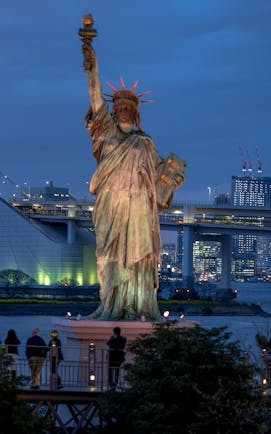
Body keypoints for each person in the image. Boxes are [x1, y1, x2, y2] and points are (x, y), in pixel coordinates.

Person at [80, 14, 185, 321]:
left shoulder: (145, 142)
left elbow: (161, 179)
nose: (123, 108)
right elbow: (94, 92)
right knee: (109, 255)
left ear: (136, 112)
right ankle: (111, 303)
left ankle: (138, 305)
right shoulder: (106, 132)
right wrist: (91, 55)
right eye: (119, 105)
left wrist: (173, 178)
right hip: (112, 205)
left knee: (139, 256)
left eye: (129, 106)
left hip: (139, 208)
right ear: (113, 110)